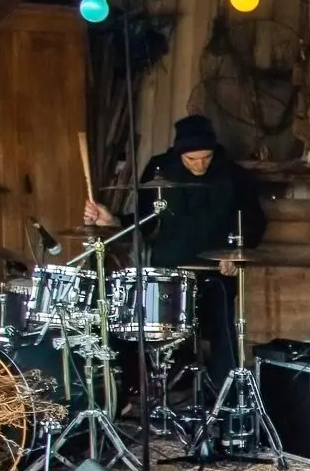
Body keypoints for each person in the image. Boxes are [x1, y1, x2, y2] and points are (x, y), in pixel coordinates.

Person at [85, 114, 263, 384]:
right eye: (192, 159)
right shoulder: (160, 170)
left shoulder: (234, 175)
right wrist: (113, 221)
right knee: (142, 330)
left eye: (206, 157)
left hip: (216, 273)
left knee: (223, 330)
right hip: (169, 274)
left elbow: (255, 221)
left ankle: (226, 395)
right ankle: (146, 389)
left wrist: (236, 255)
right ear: (179, 153)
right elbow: (145, 221)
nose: (200, 165)